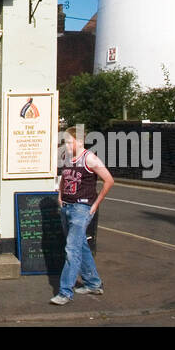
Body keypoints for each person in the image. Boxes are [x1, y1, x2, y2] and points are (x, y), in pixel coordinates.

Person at [50, 126, 113, 305]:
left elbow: (109, 180)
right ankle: (93, 283)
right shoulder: (68, 158)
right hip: (67, 207)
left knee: (72, 250)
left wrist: (95, 204)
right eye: (65, 142)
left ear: (79, 141)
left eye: (69, 142)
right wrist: (60, 196)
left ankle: (65, 292)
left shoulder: (90, 159)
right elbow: (64, 177)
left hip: (81, 208)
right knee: (81, 246)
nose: (67, 145)